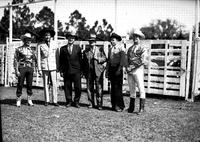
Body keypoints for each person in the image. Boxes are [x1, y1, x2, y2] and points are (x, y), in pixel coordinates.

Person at [82, 34, 107, 110]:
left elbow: (105, 58)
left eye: (93, 41)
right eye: (90, 41)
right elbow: (84, 62)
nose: (91, 43)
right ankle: (91, 103)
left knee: (99, 87)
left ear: (95, 42)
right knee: (89, 88)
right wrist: (84, 72)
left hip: (98, 71)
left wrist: (98, 59)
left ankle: (99, 104)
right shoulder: (85, 51)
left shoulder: (100, 49)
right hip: (89, 71)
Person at [125, 29, 147, 114]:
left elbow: (143, 60)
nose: (135, 39)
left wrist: (132, 67)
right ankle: (131, 107)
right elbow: (127, 59)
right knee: (131, 88)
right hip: (130, 71)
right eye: (134, 37)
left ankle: (141, 108)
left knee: (141, 88)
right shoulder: (130, 48)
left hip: (138, 70)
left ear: (140, 38)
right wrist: (127, 67)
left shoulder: (143, 48)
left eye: (137, 37)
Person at [59, 30, 82, 108]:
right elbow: (61, 61)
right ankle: (69, 101)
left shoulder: (78, 48)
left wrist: (81, 71)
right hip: (67, 71)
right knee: (67, 87)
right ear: (67, 38)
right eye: (69, 37)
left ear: (74, 39)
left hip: (76, 71)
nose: (71, 39)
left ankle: (76, 102)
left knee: (78, 87)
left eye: (72, 38)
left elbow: (80, 60)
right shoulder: (62, 49)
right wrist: (61, 71)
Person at [37, 28, 60, 106]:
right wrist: (39, 68)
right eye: (46, 35)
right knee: (45, 84)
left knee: (54, 83)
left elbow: (57, 56)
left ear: (51, 36)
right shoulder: (40, 45)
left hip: (53, 66)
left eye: (48, 35)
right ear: (44, 36)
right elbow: (39, 58)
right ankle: (46, 100)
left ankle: (55, 101)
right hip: (45, 66)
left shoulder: (55, 44)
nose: (47, 37)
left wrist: (58, 66)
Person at [14, 33, 37, 107]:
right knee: (20, 84)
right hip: (22, 68)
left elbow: (34, 60)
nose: (28, 41)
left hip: (30, 68)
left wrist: (34, 69)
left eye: (29, 40)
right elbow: (16, 60)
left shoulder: (33, 50)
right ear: (24, 40)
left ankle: (29, 100)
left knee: (29, 84)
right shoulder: (19, 49)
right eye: (27, 39)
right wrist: (16, 70)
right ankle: (18, 99)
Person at [106, 33, 126, 112]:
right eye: (111, 40)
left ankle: (120, 105)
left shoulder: (121, 48)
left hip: (118, 69)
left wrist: (119, 69)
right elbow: (108, 61)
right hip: (111, 69)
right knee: (113, 88)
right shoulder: (110, 49)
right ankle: (113, 105)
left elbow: (122, 60)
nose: (112, 41)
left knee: (118, 88)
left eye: (113, 40)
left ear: (117, 40)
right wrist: (107, 71)